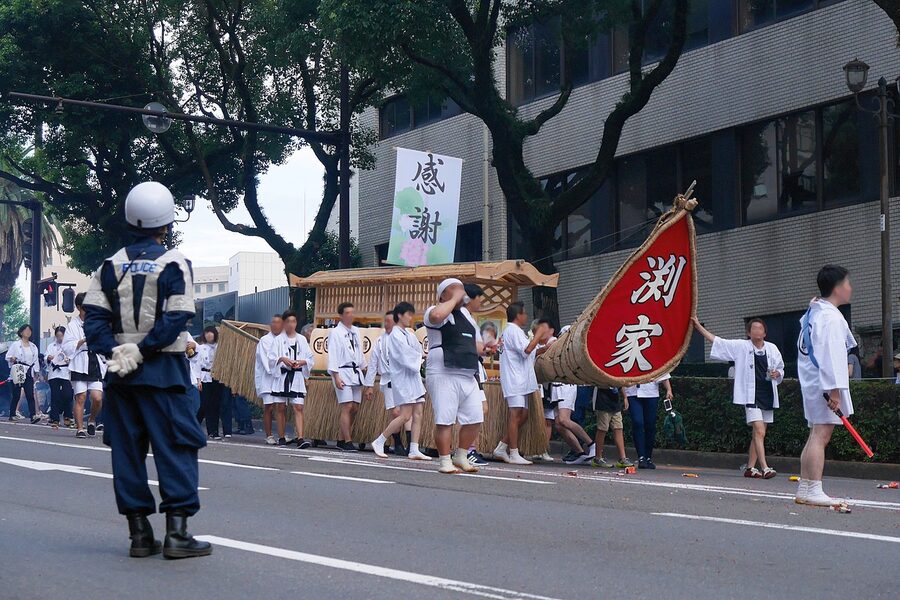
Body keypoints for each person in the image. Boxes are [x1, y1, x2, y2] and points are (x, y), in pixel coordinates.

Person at [82, 181, 211, 559]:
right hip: (165, 372)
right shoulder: (175, 262)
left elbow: (94, 323)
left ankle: (139, 535)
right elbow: (178, 316)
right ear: (167, 222)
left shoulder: (108, 266)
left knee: (126, 452)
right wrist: (144, 349)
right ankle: (177, 535)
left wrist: (118, 352)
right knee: (175, 449)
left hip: (120, 375)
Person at [795, 265, 857, 507]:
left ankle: (805, 486)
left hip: (813, 382)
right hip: (823, 383)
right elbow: (833, 354)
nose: (851, 288)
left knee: (815, 435)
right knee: (821, 435)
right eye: (848, 283)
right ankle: (814, 488)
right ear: (838, 287)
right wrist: (834, 390)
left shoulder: (815, 313)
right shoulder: (829, 317)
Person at [693, 317, 785, 479]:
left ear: (765, 332)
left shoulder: (772, 348)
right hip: (751, 395)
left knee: (759, 434)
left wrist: (777, 374)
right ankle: (765, 467)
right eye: (753, 329)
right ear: (748, 333)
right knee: (759, 430)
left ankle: (750, 468)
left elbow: (780, 369)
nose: (757, 331)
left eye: (760, 328)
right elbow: (718, 341)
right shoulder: (742, 347)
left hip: (768, 394)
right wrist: (699, 326)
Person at [424, 278, 483, 474]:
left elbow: (477, 344)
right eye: (454, 288)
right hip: (443, 371)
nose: (460, 291)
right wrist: (456, 297)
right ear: (442, 294)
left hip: (466, 372)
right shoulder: (434, 309)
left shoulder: (467, 315)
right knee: (445, 418)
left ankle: (461, 454)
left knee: (476, 416)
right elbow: (437, 316)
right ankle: (444, 460)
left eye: (461, 288)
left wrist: (488, 348)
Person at [372, 302, 430, 460]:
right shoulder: (395, 335)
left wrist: (421, 355)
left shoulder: (409, 334)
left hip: (413, 378)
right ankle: (380, 440)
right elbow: (405, 356)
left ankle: (414, 448)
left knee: (418, 413)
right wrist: (421, 357)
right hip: (403, 379)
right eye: (408, 314)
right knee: (405, 415)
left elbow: (415, 351)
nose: (410, 318)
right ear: (400, 315)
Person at [493, 303, 550, 465]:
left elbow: (527, 352)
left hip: (519, 378)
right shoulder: (513, 330)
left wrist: (543, 348)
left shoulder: (511, 331)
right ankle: (514, 452)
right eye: (524, 314)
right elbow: (526, 350)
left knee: (523, 415)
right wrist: (539, 333)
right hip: (515, 379)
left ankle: (502, 447)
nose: (526, 317)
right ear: (518, 315)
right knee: (516, 414)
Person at [365, 311, 408, 455]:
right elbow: (373, 363)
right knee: (395, 412)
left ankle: (409, 443)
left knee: (407, 412)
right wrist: (369, 385)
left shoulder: (404, 337)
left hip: (403, 378)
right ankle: (397, 442)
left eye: (390, 321)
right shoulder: (379, 340)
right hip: (388, 379)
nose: (387, 323)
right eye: (386, 321)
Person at [63, 293, 107, 438]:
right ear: (78, 307)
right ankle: (80, 428)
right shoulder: (72, 325)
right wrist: (81, 341)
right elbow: (67, 346)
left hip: (94, 360)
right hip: (79, 362)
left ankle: (92, 420)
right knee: (80, 397)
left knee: (97, 397)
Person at [270, 311, 314, 448]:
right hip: (282, 375)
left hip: (297, 376)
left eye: (293, 321)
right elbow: (271, 358)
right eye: (288, 321)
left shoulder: (301, 339)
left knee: (298, 406)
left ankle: (300, 437)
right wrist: (282, 359)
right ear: (284, 323)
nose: (291, 324)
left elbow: (310, 358)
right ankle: (282, 437)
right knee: (281, 407)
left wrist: (302, 362)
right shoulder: (278, 340)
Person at [327, 302, 367, 452]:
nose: (351, 315)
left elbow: (359, 352)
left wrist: (365, 368)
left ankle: (342, 438)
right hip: (342, 371)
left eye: (352, 312)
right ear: (341, 316)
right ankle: (348, 441)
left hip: (355, 371)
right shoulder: (335, 332)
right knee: (347, 406)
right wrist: (336, 376)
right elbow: (333, 354)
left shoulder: (356, 331)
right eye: (348, 313)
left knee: (355, 407)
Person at [464, 287, 495, 467]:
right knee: (474, 410)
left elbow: (477, 346)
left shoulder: (470, 319)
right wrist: (486, 348)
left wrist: (488, 349)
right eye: (479, 298)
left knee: (480, 409)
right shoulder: (462, 316)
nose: (480, 302)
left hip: (475, 368)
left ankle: (469, 449)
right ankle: (467, 450)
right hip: (467, 369)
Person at [626, 373, 672, 469]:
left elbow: (662, 370)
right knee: (638, 422)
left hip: (651, 392)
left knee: (650, 425)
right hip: (632, 392)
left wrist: (669, 389)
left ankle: (648, 457)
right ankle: (641, 457)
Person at [255, 314, 285, 445]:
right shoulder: (265, 340)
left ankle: (282, 435)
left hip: (281, 377)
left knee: (281, 407)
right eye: (273, 322)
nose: (275, 325)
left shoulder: (285, 339)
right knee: (269, 406)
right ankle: (269, 435)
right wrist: (276, 368)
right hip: (268, 377)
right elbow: (267, 360)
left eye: (278, 322)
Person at [6, 324, 42, 424]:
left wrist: (37, 372)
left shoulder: (33, 346)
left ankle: (33, 415)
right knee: (16, 394)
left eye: (29, 331)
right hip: (18, 369)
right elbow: (8, 356)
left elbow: (36, 361)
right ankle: (12, 414)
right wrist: (12, 358)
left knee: (30, 393)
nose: (28, 332)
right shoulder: (16, 344)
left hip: (29, 371)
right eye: (26, 331)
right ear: (21, 332)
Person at [197, 326, 228, 440]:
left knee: (215, 404)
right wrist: (198, 380)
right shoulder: (200, 348)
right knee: (205, 404)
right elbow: (197, 365)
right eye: (207, 333)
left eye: (211, 333)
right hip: (205, 377)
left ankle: (213, 431)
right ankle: (195, 425)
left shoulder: (220, 347)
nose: (209, 335)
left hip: (217, 377)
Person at [590, 387, 633, 468]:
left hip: (615, 400)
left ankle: (623, 458)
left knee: (618, 427)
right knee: (602, 429)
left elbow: (620, 382)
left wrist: (625, 397)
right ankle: (597, 458)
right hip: (602, 399)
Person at [45, 326, 74, 429]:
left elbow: (74, 356)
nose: (60, 338)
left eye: (61, 335)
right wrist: (48, 358)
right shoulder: (51, 346)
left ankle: (68, 416)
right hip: (54, 372)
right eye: (58, 336)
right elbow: (46, 356)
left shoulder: (69, 346)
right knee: (55, 395)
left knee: (67, 394)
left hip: (65, 372)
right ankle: (55, 418)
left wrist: (69, 360)